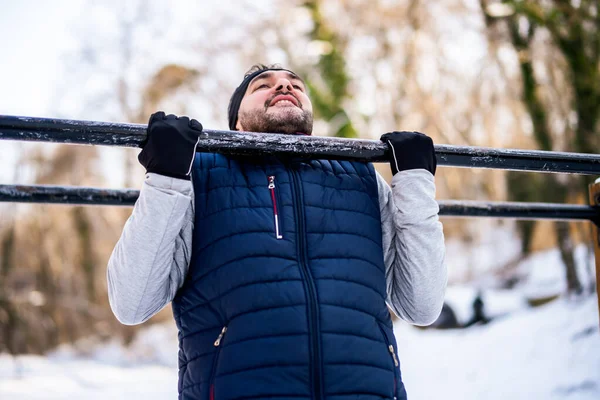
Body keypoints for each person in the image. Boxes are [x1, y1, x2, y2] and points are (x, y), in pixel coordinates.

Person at [107, 64, 446, 400]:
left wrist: (415, 182)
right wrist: (165, 178)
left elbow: (422, 306)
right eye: (263, 86)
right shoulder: (199, 176)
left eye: (295, 84)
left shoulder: (359, 176)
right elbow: (131, 302)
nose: (285, 87)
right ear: (236, 122)